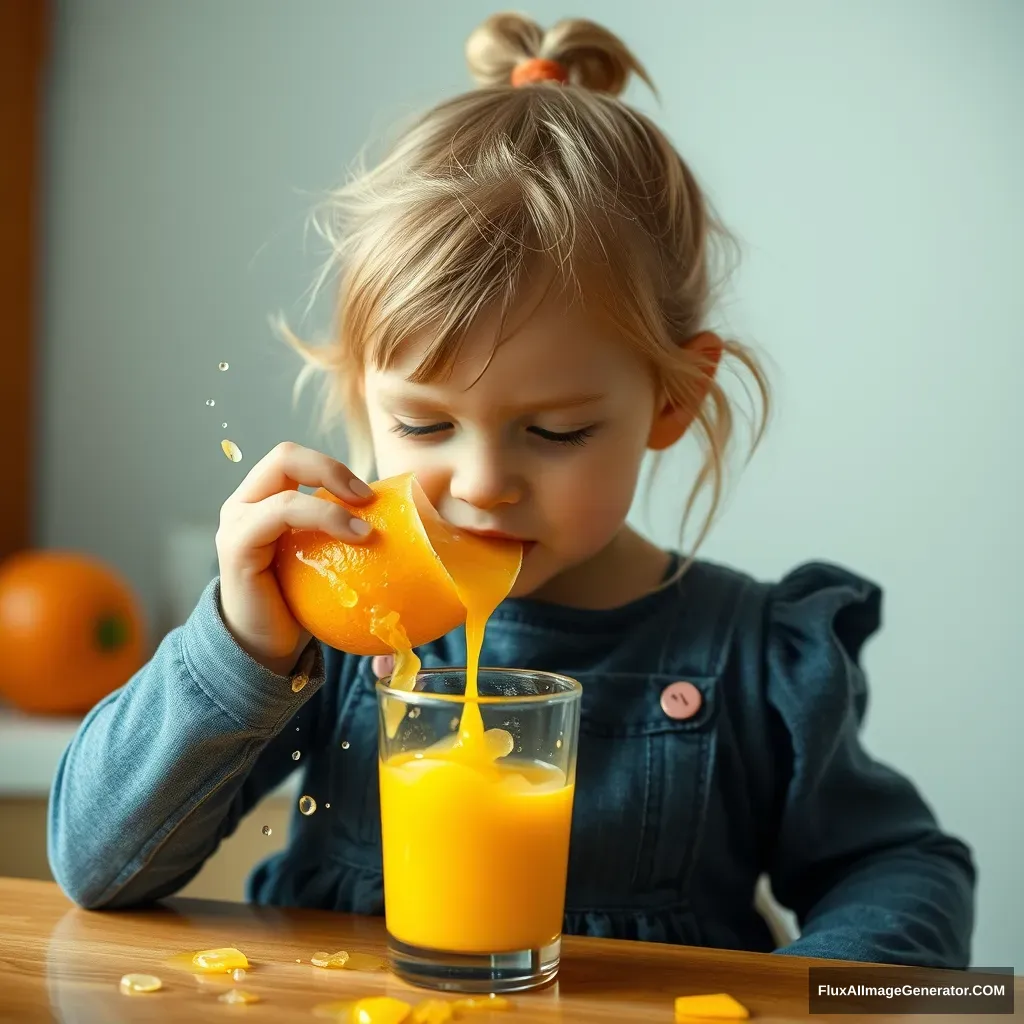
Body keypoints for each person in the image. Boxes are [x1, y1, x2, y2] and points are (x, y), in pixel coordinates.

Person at [48, 13, 974, 968]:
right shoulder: (337, 634)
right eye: (424, 425)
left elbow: (903, 868)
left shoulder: (753, 659)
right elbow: (97, 865)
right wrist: (240, 648)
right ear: (359, 396)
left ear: (674, 399)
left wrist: (825, 990)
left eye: (556, 431)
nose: (484, 487)